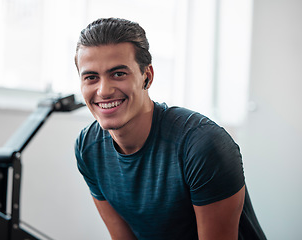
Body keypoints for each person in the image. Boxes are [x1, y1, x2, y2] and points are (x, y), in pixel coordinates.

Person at [74, 17, 266, 240]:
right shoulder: (88, 148)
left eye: (118, 74)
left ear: (147, 76)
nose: (104, 91)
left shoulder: (203, 145)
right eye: (91, 77)